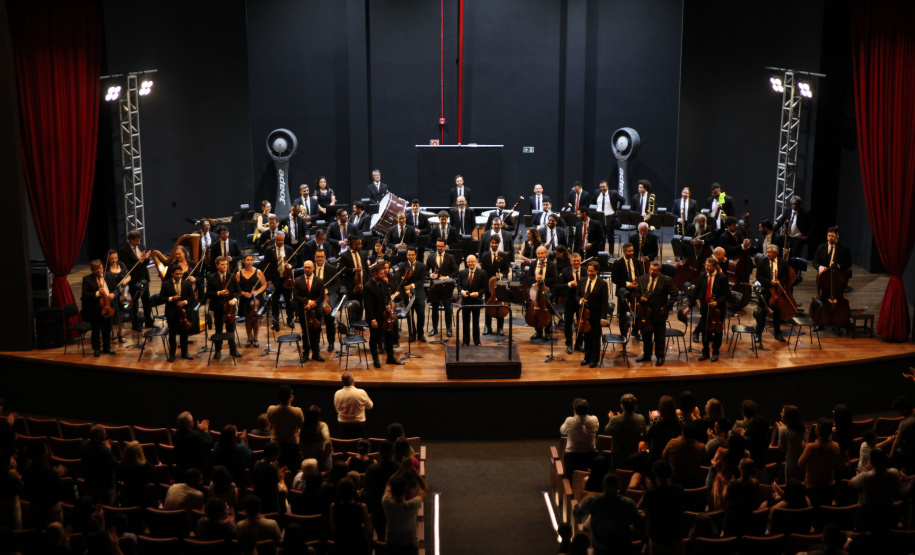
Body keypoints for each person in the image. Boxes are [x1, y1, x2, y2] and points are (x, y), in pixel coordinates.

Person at [572, 473, 643, 555]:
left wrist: (584, 499)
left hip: (601, 548)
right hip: (623, 548)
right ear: (618, 486)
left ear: (603, 485)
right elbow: (639, 525)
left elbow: (577, 513)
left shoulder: (594, 501)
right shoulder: (628, 503)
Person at [684, 257, 730, 361]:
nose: (706, 267)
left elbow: (727, 294)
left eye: (708, 266)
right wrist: (689, 306)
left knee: (717, 331)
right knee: (705, 331)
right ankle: (705, 352)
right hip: (705, 308)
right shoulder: (702, 275)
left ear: (715, 267)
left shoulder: (722, 277)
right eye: (706, 265)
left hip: (718, 310)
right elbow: (696, 291)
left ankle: (715, 352)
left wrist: (717, 301)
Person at [634, 261, 677, 366]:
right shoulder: (642, 279)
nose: (652, 272)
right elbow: (637, 292)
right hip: (645, 313)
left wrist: (667, 307)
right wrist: (641, 298)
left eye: (654, 270)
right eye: (650, 269)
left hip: (659, 313)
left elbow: (674, 294)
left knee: (659, 337)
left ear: (659, 271)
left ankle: (660, 357)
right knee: (646, 336)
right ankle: (647, 355)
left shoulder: (666, 280)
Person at [850, 448, 901, 533]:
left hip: (866, 514)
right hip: (887, 511)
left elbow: (850, 484)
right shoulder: (895, 472)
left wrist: (866, 470)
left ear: (872, 462)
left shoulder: (866, 476)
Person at [382, 463, 428, 554]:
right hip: (410, 547)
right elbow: (424, 488)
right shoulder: (412, 505)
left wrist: (401, 469)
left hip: (392, 545)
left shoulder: (386, 502)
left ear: (392, 491)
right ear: (405, 490)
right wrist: (413, 471)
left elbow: (388, 484)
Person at [364, 263, 403, 367]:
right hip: (375, 316)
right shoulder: (368, 286)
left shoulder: (384, 283)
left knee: (389, 336)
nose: (383, 275)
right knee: (374, 338)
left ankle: (390, 358)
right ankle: (375, 359)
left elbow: (387, 297)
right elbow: (368, 305)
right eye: (381, 273)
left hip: (385, 316)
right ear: (374, 274)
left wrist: (388, 305)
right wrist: (372, 320)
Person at [642, 459, 684, 554]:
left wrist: (649, 490)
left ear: (655, 474)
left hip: (657, 538)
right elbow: (681, 512)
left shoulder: (650, 494)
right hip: (675, 536)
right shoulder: (679, 490)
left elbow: (647, 516)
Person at [798, 418, 843, 507]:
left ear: (818, 431)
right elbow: (837, 464)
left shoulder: (811, 448)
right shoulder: (836, 446)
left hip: (813, 487)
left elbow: (800, 464)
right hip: (829, 486)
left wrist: (805, 450)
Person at [80, 260, 117, 357]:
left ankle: (107, 347)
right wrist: (97, 293)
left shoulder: (108, 276)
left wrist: (113, 294)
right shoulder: (87, 279)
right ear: (92, 270)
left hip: (108, 307)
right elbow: (85, 295)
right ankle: (97, 348)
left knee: (107, 328)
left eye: (100, 268)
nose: (99, 270)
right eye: (96, 269)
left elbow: (116, 289)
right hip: (95, 309)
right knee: (96, 329)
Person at [206, 256, 241, 360]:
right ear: (217, 266)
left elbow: (238, 291)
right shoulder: (212, 277)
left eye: (226, 264)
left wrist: (235, 299)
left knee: (231, 329)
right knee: (218, 329)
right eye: (222, 264)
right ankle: (218, 350)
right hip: (218, 307)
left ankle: (233, 349)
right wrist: (219, 293)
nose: (225, 266)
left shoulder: (232, 276)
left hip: (230, 308)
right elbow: (208, 294)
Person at [118, 230, 154, 330]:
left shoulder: (141, 246)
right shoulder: (124, 251)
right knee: (135, 303)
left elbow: (145, 264)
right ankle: (136, 324)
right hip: (134, 280)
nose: (138, 243)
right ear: (130, 240)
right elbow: (128, 267)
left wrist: (146, 259)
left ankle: (149, 321)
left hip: (144, 278)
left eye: (139, 240)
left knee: (147, 301)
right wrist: (140, 261)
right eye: (136, 241)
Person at [260, 231, 296, 330]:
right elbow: (266, 266)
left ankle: (290, 319)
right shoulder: (269, 250)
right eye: (278, 240)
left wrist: (290, 265)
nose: (280, 242)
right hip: (275, 280)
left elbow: (296, 261)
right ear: (275, 240)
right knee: (274, 301)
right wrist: (268, 280)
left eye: (282, 240)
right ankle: (275, 320)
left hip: (287, 279)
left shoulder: (289, 249)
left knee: (289, 300)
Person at [160, 265, 196, 362]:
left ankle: (185, 352)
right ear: (172, 274)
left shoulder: (187, 284)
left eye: (181, 274)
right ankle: (172, 354)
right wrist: (172, 298)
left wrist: (185, 302)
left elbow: (193, 297)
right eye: (177, 274)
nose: (179, 276)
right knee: (172, 335)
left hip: (184, 312)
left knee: (184, 334)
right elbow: (161, 298)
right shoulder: (166, 284)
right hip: (171, 312)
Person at [755, 245, 790, 343]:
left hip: (778, 291)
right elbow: (759, 277)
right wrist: (770, 282)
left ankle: (777, 334)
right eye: (767, 252)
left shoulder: (783, 262)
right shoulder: (762, 261)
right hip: (766, 290)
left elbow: (786, 277)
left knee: (777, 314)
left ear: (776, 253)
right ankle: (758, 334)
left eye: (770, 252)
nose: (768, 254)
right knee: (762, 313)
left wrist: (779, 281)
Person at [292, 260, 325, 363]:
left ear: (313, 268)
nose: (307, 269)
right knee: (305, 333)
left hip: (316, 311)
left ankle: (316, 354)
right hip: (303, 310)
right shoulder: (298, 280)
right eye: (305, 267)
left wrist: (314, 303)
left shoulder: (319, 280)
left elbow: (321, 296)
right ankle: (305, 354)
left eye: (309, 267)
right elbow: (296, 296)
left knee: (316, 333)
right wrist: (307, 302)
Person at [329, 477, 373, 554]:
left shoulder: (333, 506)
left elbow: (333, 529)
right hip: (359, 545)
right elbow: (369, 530)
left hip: (341, 545)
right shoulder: (362, 507)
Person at [722, 458, 762, 538]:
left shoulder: (733, 483)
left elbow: (724, 498)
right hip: (747, 518)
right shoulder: (756, 482)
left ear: (741, 468)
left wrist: (726, 485)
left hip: (732, 519)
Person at [267, 385, 305, 470]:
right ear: (291, 397)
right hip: (292, 446)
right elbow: (302, 427)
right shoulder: (297, 411)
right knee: (293, 470)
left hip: (275, 445)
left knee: (276, 470)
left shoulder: (271, 409)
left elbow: (270, 422)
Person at [605, 394, 646, 470]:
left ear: (622, 405)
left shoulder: (615, 420)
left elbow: (607, 431)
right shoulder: (640, 418)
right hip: (633, 454)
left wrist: (612, 419)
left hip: (618, 456)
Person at [578, 261, 608, 368]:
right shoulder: (582, 280)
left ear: (597, 271)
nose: (590, 273)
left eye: (592, 271)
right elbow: (577, 295)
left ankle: (595, 360)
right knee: (586, 337)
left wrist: (603, 317)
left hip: (596, 315)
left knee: (595, 338)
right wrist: (581, 300)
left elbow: (605, 301)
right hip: (584, 315)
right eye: (588, 270)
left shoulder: (602, 283)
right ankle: (587, 357)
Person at [80, 425, 119, 505]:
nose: (106, 435)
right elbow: (116, 465)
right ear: (98, 437)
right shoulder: (104, 451)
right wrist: (108, 448)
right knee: (107, 510)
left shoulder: (83, 445)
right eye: (104, 434)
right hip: (105, 488)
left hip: (89, 485)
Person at [480, 237, 511, 337]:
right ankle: (487, 327)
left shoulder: (503, 256)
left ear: (498, 243)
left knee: (500, 305)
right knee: (488, 306)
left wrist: (501, 274)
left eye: (496, 243)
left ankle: (500, 328)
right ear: (490, 243)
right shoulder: (485, 255)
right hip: (489, 286)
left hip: (499, 285)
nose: (494, 245)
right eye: (492, 243)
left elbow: (507, 270)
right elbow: (483, 271)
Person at [559, 398, 599, 474]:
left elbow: (562, 431)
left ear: (575, 411)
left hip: (572, 457)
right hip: (590, 456)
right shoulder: (594, 419)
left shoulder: (569, 421)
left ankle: (569, 481)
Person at [236, 254, 267, 349]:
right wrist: (244, 293)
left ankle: (256, 338)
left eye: (251, 260)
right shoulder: (239, 274)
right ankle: (249, 337)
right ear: (244, 261)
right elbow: (237, 288)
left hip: (256, 298)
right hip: (245, 298)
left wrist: (257, 292)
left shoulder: (258, 272)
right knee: (247, 319)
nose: (250, 261)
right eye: (248, 260)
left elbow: (264, 285)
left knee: (256, 318)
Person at [662, 422, 707, 488]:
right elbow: (704, 459)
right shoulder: (701, 447)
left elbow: (664, 456)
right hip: (694, 482)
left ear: (682, 432)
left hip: (674, 480)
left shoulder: (672, 443)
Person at [527, 246, 558, 342]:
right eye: (538, 254)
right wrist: (535, 280)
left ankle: (548, 331)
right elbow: (529, 277)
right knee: (536, 308)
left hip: (546, 290)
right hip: (536, 290)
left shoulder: (551, 265)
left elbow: (555, 278)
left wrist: (543, 281)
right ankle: (538, 331)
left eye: (542, 253)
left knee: (546, 309)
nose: (540, 255)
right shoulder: (533, 264)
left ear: (546, 254)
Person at [610, 243, 641, 337]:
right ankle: (623, 334)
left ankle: (635, 331)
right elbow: (614, 279)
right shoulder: (618, 263)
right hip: (623, 290)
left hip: (635, 290)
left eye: (632, 250)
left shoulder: (637, 262)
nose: (632, 252)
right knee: (622, 314)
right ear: (624, 251)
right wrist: (628, 284)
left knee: (637, 311)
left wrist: (637, 282)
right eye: (629, 251)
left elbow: (642, 275)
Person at [398, 247, 427, 343]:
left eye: (412, 255)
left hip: (419, 292)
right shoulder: (403, 266)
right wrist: (406, 289)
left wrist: (412, 285)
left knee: (421, 314)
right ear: (406, 255)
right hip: (407, 293)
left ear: (416, 255)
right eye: (409, 255)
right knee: (410, 315)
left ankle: (420, 334)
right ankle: (412, 334)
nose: (410, 256)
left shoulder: (422, 266)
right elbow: (399, 280)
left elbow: (422, 280)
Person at [458, 255, 487, 346]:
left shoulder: (482, 273)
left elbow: (485, 287)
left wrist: (478, 293)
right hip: (465, 301)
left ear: (476, 262)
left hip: (476, 301)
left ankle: (477, 341)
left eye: (472, 261)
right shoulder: (462, 272)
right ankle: (465, 341)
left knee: (476, 322)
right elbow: (458, 285)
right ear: (466, 263)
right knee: (465, 322)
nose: (470, 263)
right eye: (469, 262)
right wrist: (462, 291)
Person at [334, 371, 373, 439]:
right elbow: (370, 406)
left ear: (342, 382)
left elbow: (337, 408)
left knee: (345, 445)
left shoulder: (337, 393)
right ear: (353, 380)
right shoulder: (361, 392)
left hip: (343, 425)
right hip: (359, 425)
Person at [559, 253, 585, 354]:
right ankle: (569, 344)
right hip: (569, 301)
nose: (576, 263)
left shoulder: (585, 270)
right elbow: (559, 286)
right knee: (568, 324)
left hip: (581, 302)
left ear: (580, 261)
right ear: (571, 262)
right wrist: (569, 284)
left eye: (578, 261)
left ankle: (579, 344)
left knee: (581, 323)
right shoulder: (565, 271)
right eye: (574, 261)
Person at [313, 250, 339, 352]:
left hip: (327, 297)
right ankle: (316, 342)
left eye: (321, 257)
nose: (319, 258)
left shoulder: (332, 269)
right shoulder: (311, 268)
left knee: (329, 321)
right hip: (315, 298)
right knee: (315, 321)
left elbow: (337, 284)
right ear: (315, 257)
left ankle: (331, 343)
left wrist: (328, 289)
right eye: (317, 257)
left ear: (325, 257)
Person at [252, 442, 287, 515]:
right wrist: (281, 478)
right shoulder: (271, 468)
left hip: (258, 498)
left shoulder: (257, 463)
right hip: (270, 502)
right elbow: (276, 489)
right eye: (277, 455)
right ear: (272, 455)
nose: (277, 457)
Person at [104, 250, 130, 344]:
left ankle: (121, 334)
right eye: (112, 258)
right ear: (108, 259)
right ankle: (113, 335)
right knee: (112, 314)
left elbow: (128, 276)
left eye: (116, 257)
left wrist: (125, 281)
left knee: (120, 314)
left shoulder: (121, 265)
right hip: (111, 293)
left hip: (122, 293)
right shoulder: (105, 269)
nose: (114, 260)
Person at [646, 396, 684, 461]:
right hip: (673, 453)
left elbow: (648, 435)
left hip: (656, 454)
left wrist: (651, 419)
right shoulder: (680, 420)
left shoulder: (656, 421)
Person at [119, 441, 155, 509]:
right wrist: (144, 461)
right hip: (145, 500)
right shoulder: (148, 467)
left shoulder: (121, 466)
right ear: (140, 454)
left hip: (127, 499)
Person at [776, 405, 807, 483]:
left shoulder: (783, 429)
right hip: (803, 462)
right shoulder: (803, 427)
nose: (781, 413)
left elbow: (782, 448)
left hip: (791, 463)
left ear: (788, 416)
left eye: (783, 412)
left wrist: (780, 430)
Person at [593, 180, 624, 251]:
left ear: (607, 187)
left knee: (610, 236)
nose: (602, 189)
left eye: (603, 187)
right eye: (600, 187)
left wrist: (618, 210)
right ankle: (601, 251)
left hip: (610, 216)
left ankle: (611, 253)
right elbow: (594, 202)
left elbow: (622, 200)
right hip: (599, 216)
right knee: (601, 236)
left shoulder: (613, 193)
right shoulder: (597, 193)